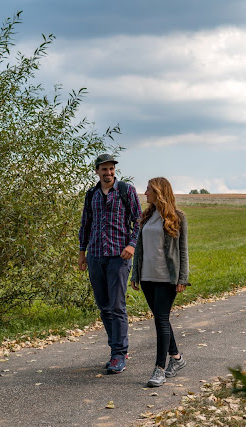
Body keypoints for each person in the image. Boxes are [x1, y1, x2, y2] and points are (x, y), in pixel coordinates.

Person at [78, 153, 142, 374]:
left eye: (111, 169)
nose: (109, 173)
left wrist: (132, 245)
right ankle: (116, 349)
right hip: (95, 256)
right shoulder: (92, 194)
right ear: (97, 171)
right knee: (104, 307)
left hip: (119, 257)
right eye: (104, 169)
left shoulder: (126, 191)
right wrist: (82, 252)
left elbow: (138, 221)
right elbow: (85, 224)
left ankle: (118, 354)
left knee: (116, 307)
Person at [130, 177, 189, 387]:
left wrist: (183, 278)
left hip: (167, 278)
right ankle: (177, 359)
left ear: (158, 192)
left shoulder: (178, 217)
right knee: (160, 318)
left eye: (148, 190)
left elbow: (183, 251)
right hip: (147, 277)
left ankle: (159, 369)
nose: (145, 193)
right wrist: (135, 275)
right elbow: (139, 248)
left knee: (161, 319)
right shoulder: (146, 217)